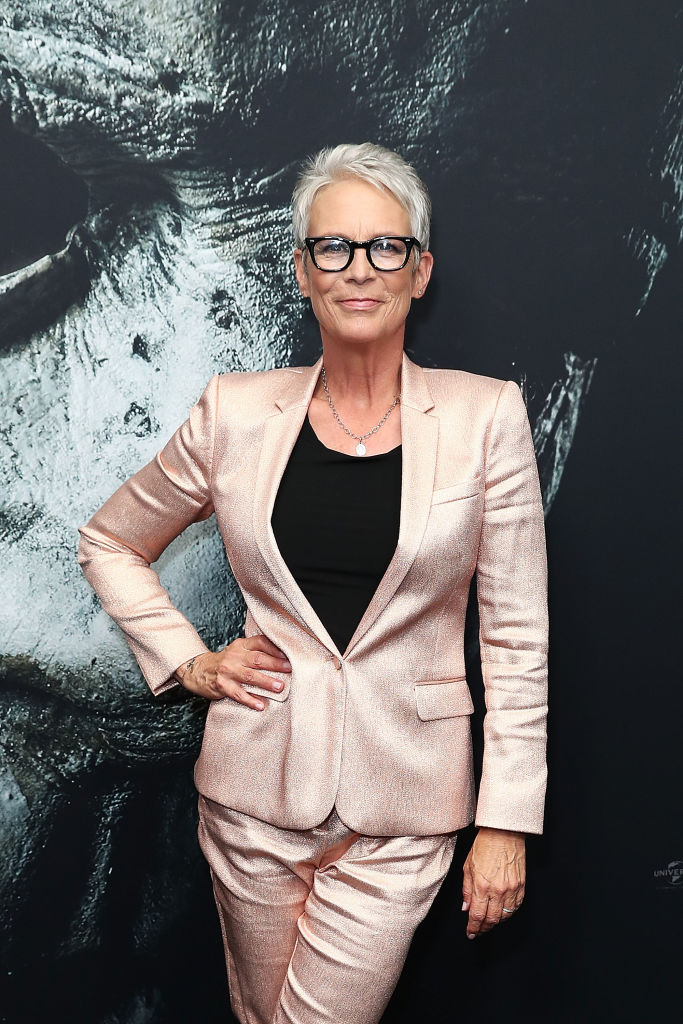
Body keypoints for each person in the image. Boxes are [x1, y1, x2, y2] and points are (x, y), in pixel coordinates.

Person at [77, 142, 549, 1024]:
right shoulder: (234, 412)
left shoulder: (488, 416)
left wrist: (506, 820)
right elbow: (110, 540)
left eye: (385, 247)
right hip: (252, 798)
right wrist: (188, 660)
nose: (358, 269)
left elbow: (516, 636)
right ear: (301, 271)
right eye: (333, 247)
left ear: (420, 270)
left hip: (406, 810)